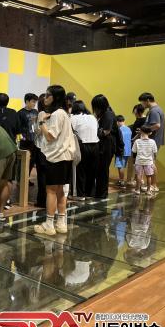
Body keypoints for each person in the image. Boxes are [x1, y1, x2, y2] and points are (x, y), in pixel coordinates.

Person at [34, 85, 76, 236]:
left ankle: (49, 224)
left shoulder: (57, 114)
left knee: (51, 191)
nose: (45, 98)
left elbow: (50, 136)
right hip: (65, 156)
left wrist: (41, 122)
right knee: (60, 191)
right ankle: (61, 223)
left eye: (48, 95)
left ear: (55, 97)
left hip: (56, 157)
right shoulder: (63, 113)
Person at [70, 100, 99, 200]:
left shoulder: (73, 117)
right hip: (95, 145)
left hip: (82, 145)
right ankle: (89, 193)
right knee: (91, 170)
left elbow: (70, 131)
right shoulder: (92, 117)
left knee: (79, 170)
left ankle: (79, 194)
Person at [91, 94, 118, 199]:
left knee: (103, 169)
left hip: (107, 145)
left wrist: (94, 131)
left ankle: (101, 193)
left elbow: (106, 131)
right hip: (104, 145)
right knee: (100, 169)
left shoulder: (108, 114)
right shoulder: (105, 113)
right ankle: (99, 192)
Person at [139, 92, 165, 192]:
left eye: (142, 102)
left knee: (151, 163)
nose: (142, 105)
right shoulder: (157, 109)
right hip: (154, 140)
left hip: (153, 140)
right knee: (151, 162)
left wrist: (144, 130)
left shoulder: (154, 111)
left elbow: (157, 125)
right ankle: (153, 185)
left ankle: (153, 185)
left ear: (147, 100)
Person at [18, 93, 39, 178]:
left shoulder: (36, 112)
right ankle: (21, 179)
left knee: (32, 160)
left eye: (35, 102)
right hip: (24, 141)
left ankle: (27, 178)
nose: (34, 104)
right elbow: (18, 128)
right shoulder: (20, 113)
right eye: (33, 102)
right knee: (23, 161)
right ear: (27, 101)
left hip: (34, 140)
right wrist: (21, 139)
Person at [132, 126, 157, 196]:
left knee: (138, 176)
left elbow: (134, 151)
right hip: (149, 162)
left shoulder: (137, 141)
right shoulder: (152, 142)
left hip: (139, 161)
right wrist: (154, 161)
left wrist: (134, 161)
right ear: (149, 133)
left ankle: (137, 190)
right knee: (149, 176)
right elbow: (155, 152)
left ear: (141, 132)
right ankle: (148, 191)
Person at [34, 93, 47, 208]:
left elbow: (38, 131)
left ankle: (42, 200)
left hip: (41, 148)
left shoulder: (41, 114)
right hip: (52, 148)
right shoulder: (55, 113)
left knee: (41, 175)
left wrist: (34, 124)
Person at [128, 104, 146, 187]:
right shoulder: (138, 119)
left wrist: (133, 139)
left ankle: (138, 179)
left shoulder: (144, 120)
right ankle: (136, 179)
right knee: (135, 162)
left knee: (137, 162)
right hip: (135, 142)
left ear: (140, 112)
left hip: (139, 143)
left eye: (136, 113)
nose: (135, 114)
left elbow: (140, 132)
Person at [115, 115, 132, 188]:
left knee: (120, 166)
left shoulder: (119, 130)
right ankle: (121, 180)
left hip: (121, 150)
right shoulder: (128, 129)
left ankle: (121, 181)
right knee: (123, 165)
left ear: (117, 122)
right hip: (128, 150)